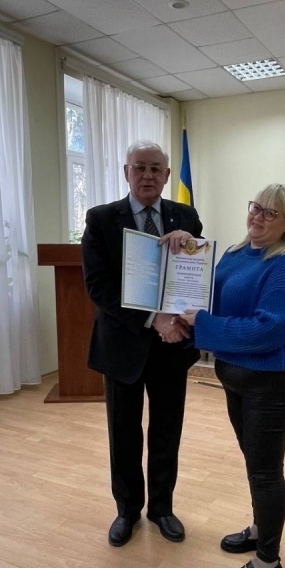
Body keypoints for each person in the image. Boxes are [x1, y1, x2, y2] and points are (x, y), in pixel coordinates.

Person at [180, 184, 285, 568]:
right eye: (256, 207)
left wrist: (203, 325)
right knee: (255, 461)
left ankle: (268, 564)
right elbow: (207, 299)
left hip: (271, 384)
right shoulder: (236, 254)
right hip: (237, 378)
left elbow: (267, 331)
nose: (258, 216)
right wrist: (182, 255)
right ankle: (261, 529)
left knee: (266, 471)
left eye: (271, 213)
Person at [82, 140, 203, 547]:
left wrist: (189, 242)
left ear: (167, 175)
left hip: (172, 345)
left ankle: (162, 508)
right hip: (123, 346)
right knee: (124, 434)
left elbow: (194, 274)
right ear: (126, 172)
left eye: (155, 168)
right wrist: (155, 319)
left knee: (167, 432)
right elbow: (98, 286)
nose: (148, 175)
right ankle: (127, 511)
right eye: (140, 167)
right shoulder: (101, 219)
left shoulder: (185, 216)